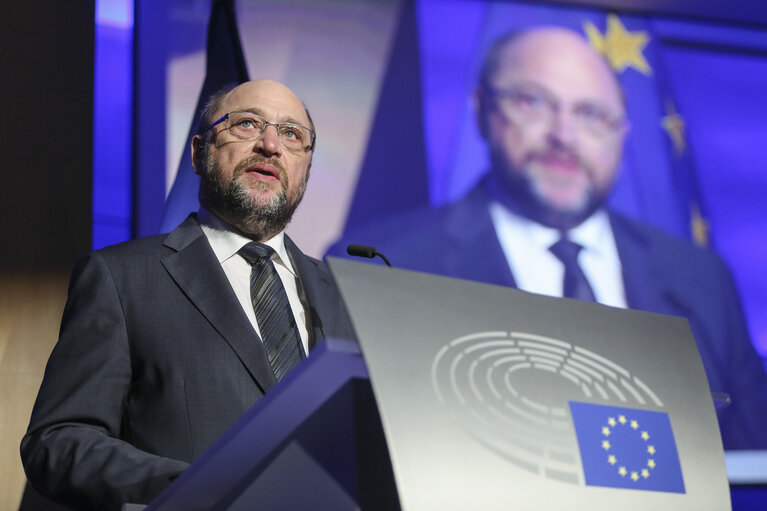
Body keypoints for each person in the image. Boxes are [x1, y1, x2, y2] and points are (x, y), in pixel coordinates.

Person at [328, 27, 767, 449]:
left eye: (591, 114)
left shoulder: (699, 276)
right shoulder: (380, 264)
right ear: (482, 110)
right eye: (534, 102)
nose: (564, 135)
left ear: (622, 135)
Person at [21, 79, 356, 510]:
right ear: (199, 153)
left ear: (306, 169)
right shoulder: (122, 277)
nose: (271, 144)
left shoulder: (347, 295)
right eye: (248, 124)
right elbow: (58, 441)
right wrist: (194, 489)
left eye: (292, 134)